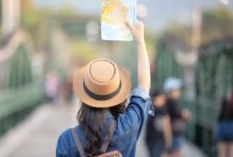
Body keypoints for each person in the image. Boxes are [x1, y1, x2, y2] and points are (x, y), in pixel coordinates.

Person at [56, 20, 153, 157]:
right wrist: (140, 41)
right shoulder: (129, 125)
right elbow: (144, 86)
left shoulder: (67, 140)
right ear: (117, 96)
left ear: (85, 96)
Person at [164, 77, 189, 157]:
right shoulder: (171, 103)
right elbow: (180, 114)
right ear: (171, 91)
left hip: (174, 132)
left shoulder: (169, 102)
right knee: (176, 153)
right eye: (177, 89)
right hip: (174, 133)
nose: (179, 91)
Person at [145, 91, 172, 157]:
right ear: (157, 98)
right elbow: (166, 127)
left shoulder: (149, 108)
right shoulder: (163, 111)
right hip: (158, 140)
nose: (164, 100)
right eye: (162, 98)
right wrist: (168, 141)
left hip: (149, 138)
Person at [216, 89, 233, 157]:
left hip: (223, 129)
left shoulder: (224, 102)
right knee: (231, 153)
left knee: (222, 153)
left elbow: (220, 116)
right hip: (232, 129)